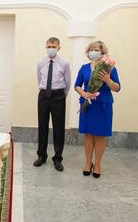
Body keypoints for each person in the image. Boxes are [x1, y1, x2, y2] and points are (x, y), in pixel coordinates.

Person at [74, 41, 120, 179]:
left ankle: (98, 164)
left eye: (97, 49)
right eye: (92, 49)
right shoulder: (84, 68)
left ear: (102, 52)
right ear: (89, 52)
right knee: (88, 134)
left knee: (100, 135)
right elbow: (77, 85)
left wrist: (108, 80)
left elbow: (117, 88)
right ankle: (88, 163)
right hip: (88, 105)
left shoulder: (109, 68)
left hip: (103, 106)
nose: (94, 51)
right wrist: (83, 93)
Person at [34, 37, 71, 171]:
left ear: (58, 47)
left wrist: (61, 96)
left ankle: (57, 158)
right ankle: (41, 156)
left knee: (58, 128)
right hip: (44, 95)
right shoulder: (41, 63)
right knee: (42, 126)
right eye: (48, 46)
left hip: (58, 96)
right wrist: (44, 92)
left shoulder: (64, 63)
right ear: (45, 47)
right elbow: (39, 80)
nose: (51, 49)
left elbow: (67, 83)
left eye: (53, 47)